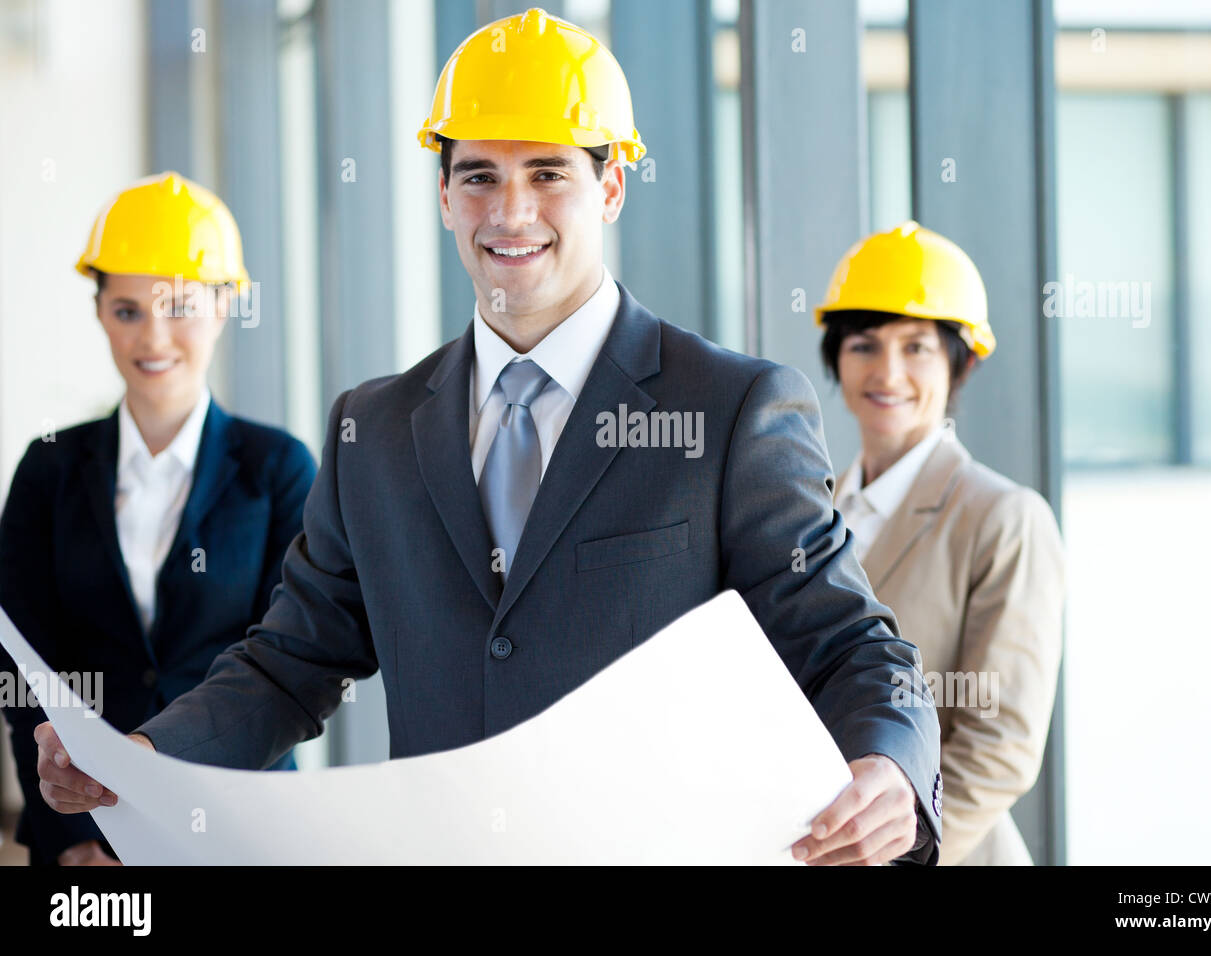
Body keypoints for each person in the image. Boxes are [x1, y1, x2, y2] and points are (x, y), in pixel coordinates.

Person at [34, 9, 941, 865]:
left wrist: (893, 766)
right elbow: (288, 665)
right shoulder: (374, 429)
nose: (510, 212)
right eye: (479, 176)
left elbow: (848, 642)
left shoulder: (730, 409)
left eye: (548, 172)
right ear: (443, 196)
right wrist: (139, 759)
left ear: (612, 186)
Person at [0, 172, 316, 865]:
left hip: (240, 824)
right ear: (99, 310)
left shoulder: (279, 468)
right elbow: (24, 668)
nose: (154, 338)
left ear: (226, 305)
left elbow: (292, 664)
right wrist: (72, 832)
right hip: (83, 832)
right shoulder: (49, 468)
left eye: (178, 307)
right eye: (127, 310)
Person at [816, 220, 1065, 864]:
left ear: (961, 362)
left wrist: (893, 846)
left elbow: (1000, 744)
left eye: (918, 347)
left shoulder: (1003, 517)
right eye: (864, 345)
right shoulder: (808, 510)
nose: (887, 372)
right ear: (837, 360)